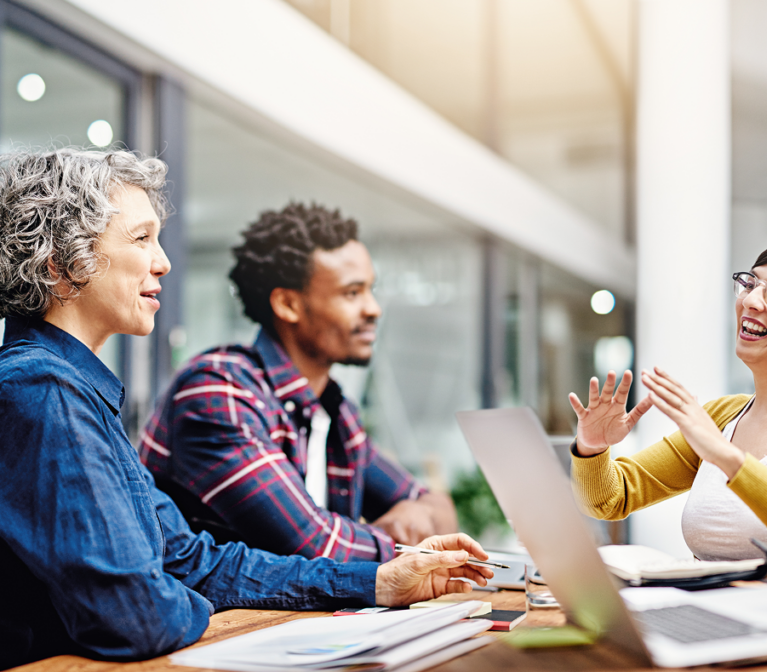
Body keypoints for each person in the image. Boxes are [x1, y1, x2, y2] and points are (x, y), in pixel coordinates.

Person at [0, 149, 491, 669]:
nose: (163, 261)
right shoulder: (43, 388)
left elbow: (191, 561)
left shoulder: (72, 389)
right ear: (61, 262)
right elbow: (141, 615)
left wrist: (378, 580)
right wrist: (174, 590)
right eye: (141, 238)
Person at [139, 202, 457, 563]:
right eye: (352, 293)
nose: (373, 309)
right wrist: (402, 537)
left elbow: (437, 508)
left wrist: (418, 519)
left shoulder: (335, 411)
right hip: (222, 619)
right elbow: (316, 549)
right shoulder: (219, 391)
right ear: (288, 304)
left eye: (371, 290)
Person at [570, 239, 767, 560]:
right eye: (750, 284)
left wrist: (726, 457)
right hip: (699, 608)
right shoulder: (722, 415)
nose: (751, 300)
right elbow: (609, 499)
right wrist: (592, 447)